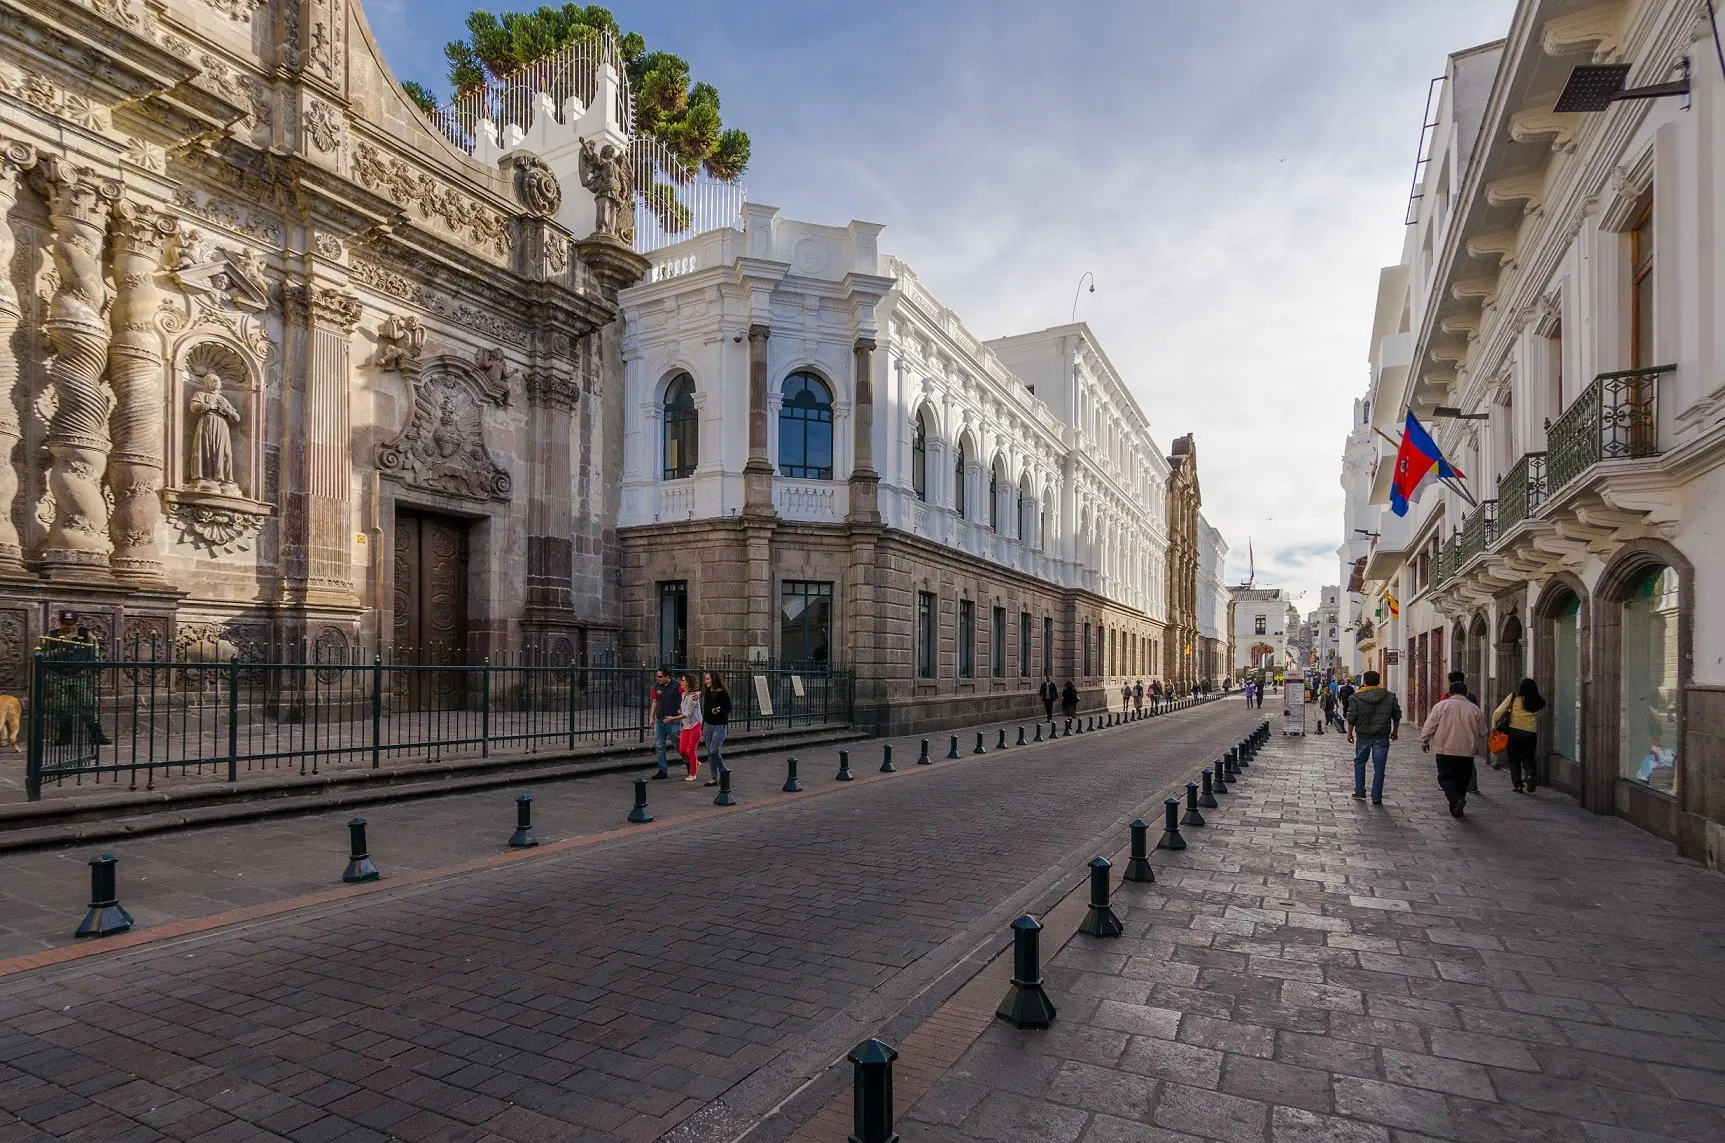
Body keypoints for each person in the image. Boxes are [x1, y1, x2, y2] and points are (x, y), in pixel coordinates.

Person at [39, 610, 110, 748]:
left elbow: (95, 652)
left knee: (87, 705)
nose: (69, 627)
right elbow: (41, 655)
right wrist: (59, 651)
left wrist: (93, 669)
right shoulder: (52, 636)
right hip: (58, 676)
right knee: (62, 706)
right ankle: (65, 737)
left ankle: (96, 735)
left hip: (80, 675)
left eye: (72, 624)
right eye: (66, 624)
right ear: (60, 623)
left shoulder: (85, 634)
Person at [1422, 678, 1489, 817]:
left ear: (1449, 692)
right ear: (1466, 693)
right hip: (1467, 751)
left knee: (1445, 778)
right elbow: (1483, 731)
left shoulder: (1441, 706)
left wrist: (1424, 740)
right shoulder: (1474, 708)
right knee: (1462, 780)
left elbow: (1430, 725)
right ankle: (1457, 806)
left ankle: (1456, 800)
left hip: (1445, 749)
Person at [1345, 669, 1400, 805]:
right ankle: (1377, 796)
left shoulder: (1355, 697)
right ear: (1379, 681)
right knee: (1379, 766)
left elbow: (1351, 717)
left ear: (1364, 682)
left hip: (1363, 735)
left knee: (1359, 762)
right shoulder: (1389, 696)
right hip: (1381, 736)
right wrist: (1395, 731)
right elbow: (1397, 715)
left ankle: (1359, 790)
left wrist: (1350, 733)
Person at [1492, 678, 1546, 794]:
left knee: (1514, 758)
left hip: (1514, 732)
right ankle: (1531, 773)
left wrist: (1494, 725)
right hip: (1531, 732)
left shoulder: (1514, 698)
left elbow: (1498, 712)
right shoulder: (1538, 701)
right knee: (1528, 756)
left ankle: (1518, 784)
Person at [649, 667, 681, 779]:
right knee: (659, 745)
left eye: (660, 676)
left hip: (673, 720)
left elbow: (687, 696)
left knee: (678, 744)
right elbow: (654, 701)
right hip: (660, 719)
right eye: (657, 676)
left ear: (668, 676)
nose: (658, 679)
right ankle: (662, 770)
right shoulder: (656, 686)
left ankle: (689, 762)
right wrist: (651, 717)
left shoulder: (677, 686)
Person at [701, 671, 730, 786]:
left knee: (714, 750)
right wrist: (702, 727)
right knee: (709, 752)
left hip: (720, 725)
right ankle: (713, 777)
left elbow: (728, 707)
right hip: (708, 724)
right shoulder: (708, 692)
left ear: (714, 679)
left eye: (708, 679)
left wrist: (719, 711)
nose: (706, 681)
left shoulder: (723, 693)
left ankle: (723, 770)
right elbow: (706, 709)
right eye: (705, 679)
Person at [674, 673, 703, 781]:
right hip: (686, 725)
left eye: (683, 680)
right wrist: (680, 711)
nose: (681, 682)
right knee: (682, 749)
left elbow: (688, 714)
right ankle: (696, 763)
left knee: (691, 749)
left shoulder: (693, 697)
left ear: (688, 683)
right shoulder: (683, 694)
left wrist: (672, 718)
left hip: (695, 724)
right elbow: (684, 709)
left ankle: (693, 773)